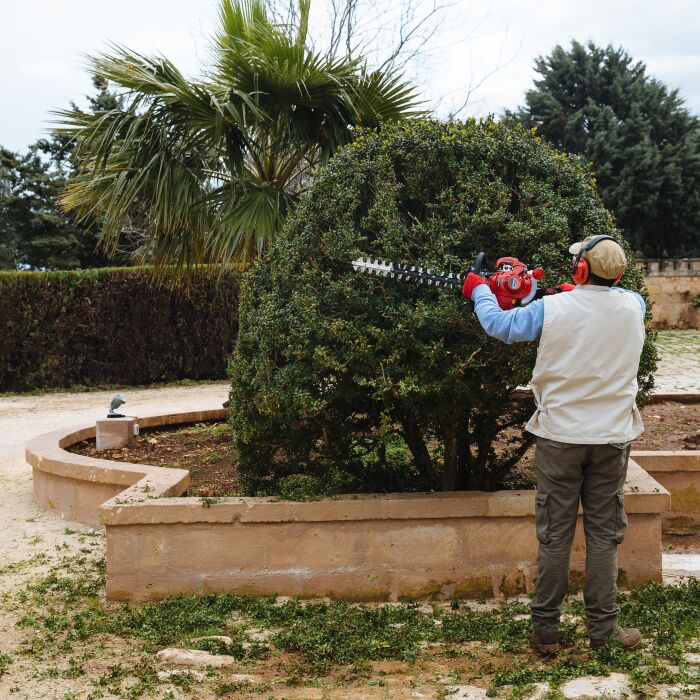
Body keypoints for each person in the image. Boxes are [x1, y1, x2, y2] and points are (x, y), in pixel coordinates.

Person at [462, 235, 646, 654]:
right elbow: (603, 301)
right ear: (617, 274)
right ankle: (603, 633)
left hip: (560, 437)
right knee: (603, 537)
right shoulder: (634, 304)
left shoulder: (551, 309)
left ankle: (546, 632)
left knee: (555, 537)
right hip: (613, 439)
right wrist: (557, 294)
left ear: (580, 270)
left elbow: (500, 326)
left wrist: (481, 291)